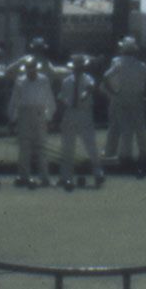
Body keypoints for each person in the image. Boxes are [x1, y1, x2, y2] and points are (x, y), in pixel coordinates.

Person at [104, 38, 146, 172]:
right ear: (134, 51)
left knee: (125, 127)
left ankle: (125, 155)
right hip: (136, 98)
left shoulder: (117, 63)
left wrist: (113, 92)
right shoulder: (140, 65)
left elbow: (106, 77)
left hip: (120, 97)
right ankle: (144, 153)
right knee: (140, 127)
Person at [57, 52, 105, 189]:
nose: (78, 69)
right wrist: (62, 109)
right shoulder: (67, 81)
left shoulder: (88, 79)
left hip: (84, 113)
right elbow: (61, 97)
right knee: (67, 146)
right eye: (76, 67)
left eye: (80, 67)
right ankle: (66, 177)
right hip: (70, 113)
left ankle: (98, 174)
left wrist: (84, 94)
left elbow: (90, 88)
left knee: (90, 145)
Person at [8, 53, 57, 188]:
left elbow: (49, 98)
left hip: (39, 113)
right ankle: (24, 177)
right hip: (24, 114)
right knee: (24, 148)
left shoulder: (43, 80)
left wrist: (49, 117)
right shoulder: (20, 81)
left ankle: (44, 178)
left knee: (41, 147)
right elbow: (14, 101)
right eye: (29, 67)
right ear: (26, 68)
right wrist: (12, 118)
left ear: (36, 67)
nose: (31, 70)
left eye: (33, 67)